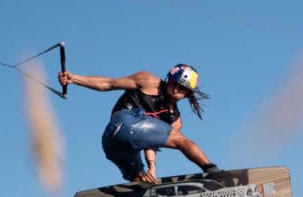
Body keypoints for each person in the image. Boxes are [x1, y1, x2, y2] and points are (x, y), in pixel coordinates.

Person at [58, 63, 219, 184]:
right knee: (182, 141)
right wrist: (74, 79)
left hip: (112, 143)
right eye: (174, 85)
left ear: (188, 94)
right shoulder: (148, 81)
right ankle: (212, 171)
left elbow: (151, 143)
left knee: (140, 178)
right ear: (168, 80)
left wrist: (152, 168)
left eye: (182, 89)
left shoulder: (175, 119)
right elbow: (109, 83)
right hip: (124, 122)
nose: (176, 91)